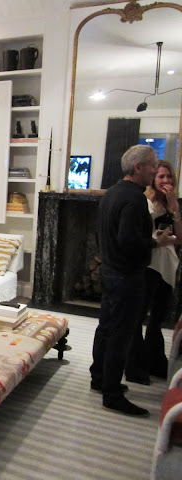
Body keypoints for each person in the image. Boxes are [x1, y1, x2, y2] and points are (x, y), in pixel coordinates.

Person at [89, 144, 173, 417]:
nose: (154, 170)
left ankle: (99, 378)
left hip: (110, 270)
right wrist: (155, 242)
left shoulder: (111, 193)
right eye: (152, 165)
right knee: (121, 335)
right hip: (127, 275)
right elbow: (128, 241)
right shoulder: (135, 199)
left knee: (106, 327)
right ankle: (112, 394)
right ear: (138, 167)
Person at [125, 160, 181, 383]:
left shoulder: (172, 204)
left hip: (168, 264)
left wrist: (174, 209)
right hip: (148, 265)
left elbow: (180, 238)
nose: (166, 181)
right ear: (152, 179)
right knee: (138, 317)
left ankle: (155, 361)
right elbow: (144, 237)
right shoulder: (145, 203)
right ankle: (135, 366)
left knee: (158, 317)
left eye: (169, 177)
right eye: (161, 177)